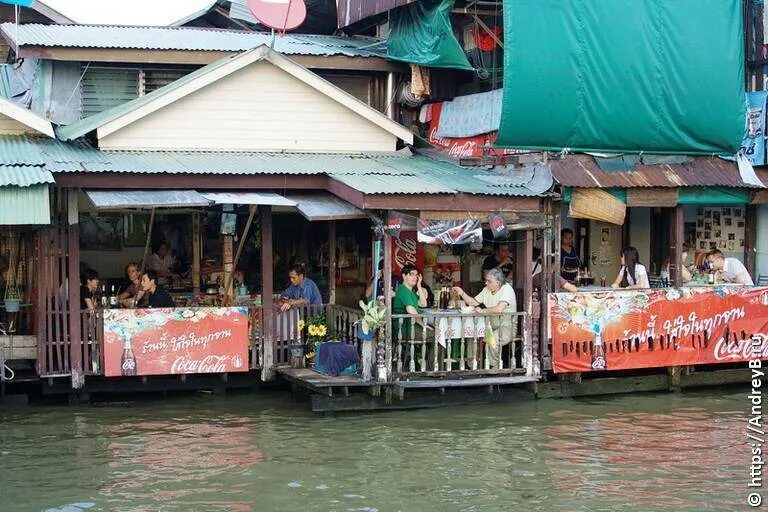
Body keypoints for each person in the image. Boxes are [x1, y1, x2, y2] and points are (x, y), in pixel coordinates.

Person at [452, 268, 516, 368]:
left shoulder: (507, 289)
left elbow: (499, 309)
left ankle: (495, 366)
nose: (486, 283)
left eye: (489, 281)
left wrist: (483, 311)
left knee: (492, 339)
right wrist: (462, 293)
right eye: (486, 280)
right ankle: (473, 365)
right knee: (471, 334)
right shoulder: (487, 289)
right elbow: (473, 302)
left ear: (498, 283)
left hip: (507, 326)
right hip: (490, 325)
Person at [392, 263, 428, 339]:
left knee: (439, 333)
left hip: (411, 326)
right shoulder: (403, 290)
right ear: (404, 276)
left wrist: (419, 285)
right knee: (438, 335)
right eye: (411, 274)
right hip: (406, 329)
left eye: (416, 275)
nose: (415, 277)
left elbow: (423, 304)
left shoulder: (411, 292)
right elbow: (411, 310)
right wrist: (423, 325)